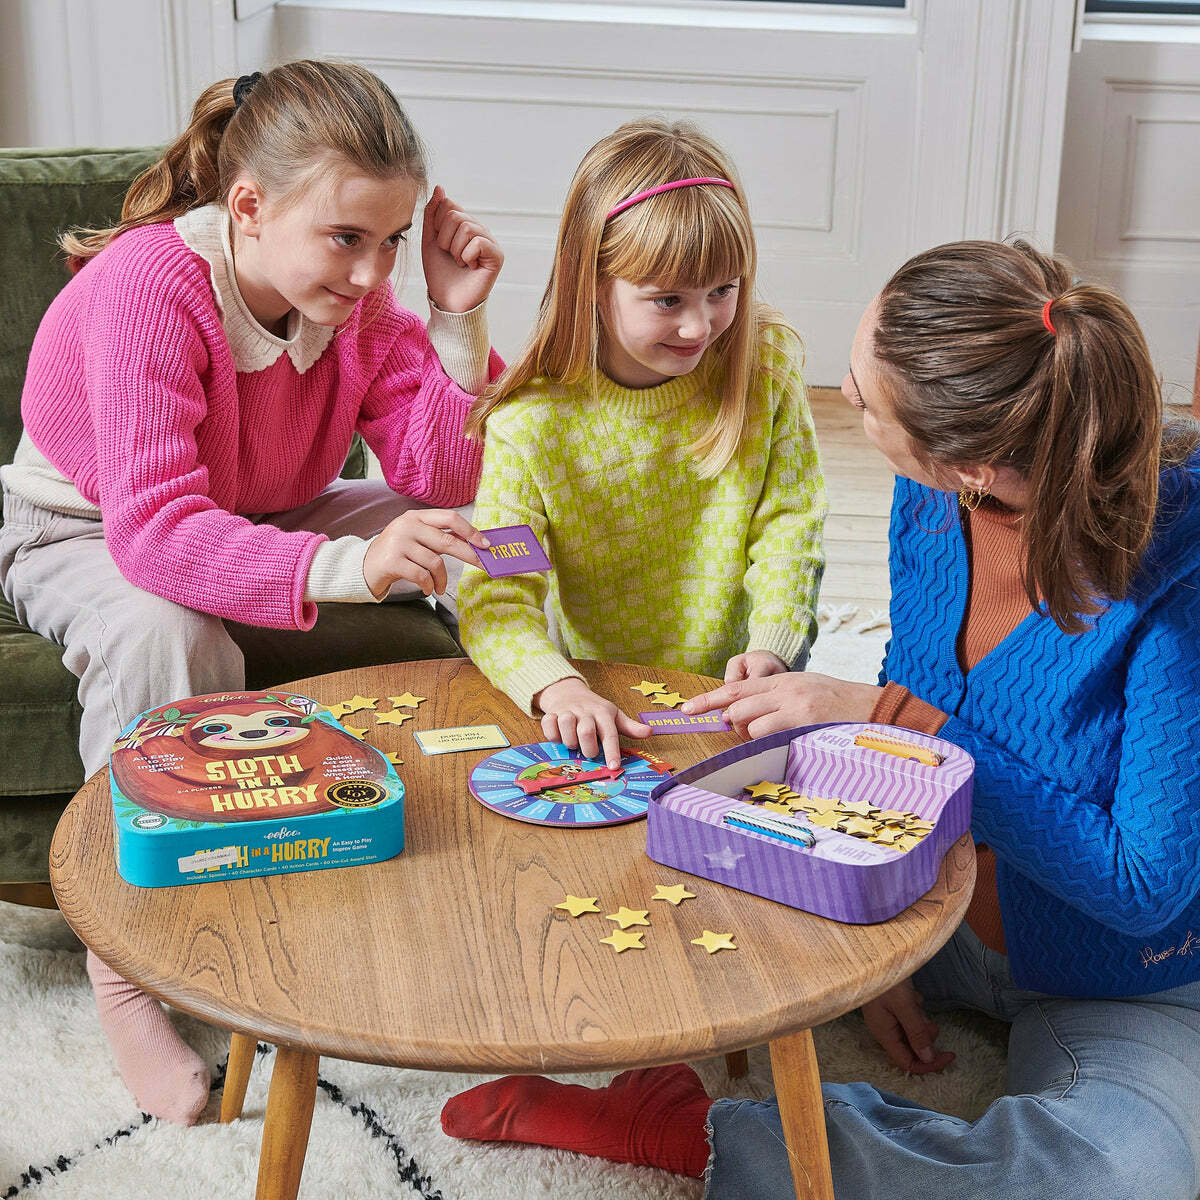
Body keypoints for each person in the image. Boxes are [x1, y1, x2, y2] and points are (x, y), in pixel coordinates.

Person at [440, 239, 1200, 1199]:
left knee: (1124, 1179)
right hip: (931, 894)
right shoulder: (932, 499)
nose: (841, 393)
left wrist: (889, 720)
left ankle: (707, 1133)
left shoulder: (1179, 577)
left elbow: (1143, 886)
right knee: (661, 845)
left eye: (863, 395)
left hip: (1121, 973)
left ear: (969, 459)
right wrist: (880, 936)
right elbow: (915, 676)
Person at [0, 60, 505, 1125]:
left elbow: (436, 474)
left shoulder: (355, 302)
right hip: (87, 527)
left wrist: (458, 327)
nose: (374, 273)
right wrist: (345, 568)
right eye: (346, 239)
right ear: (248, 207)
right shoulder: (152, 288)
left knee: (475, 536)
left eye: (391, 242)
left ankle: (451, 838)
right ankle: (129, 968)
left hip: (265, 509)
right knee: (165, 628)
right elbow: (156, 534)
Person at [457, 118, 826, 769]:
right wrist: (557, 685)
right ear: (591, 283)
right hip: (610, 697)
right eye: (666, 300)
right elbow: (499, 591)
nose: (699, 325)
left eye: (723, 290)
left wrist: (773, 641)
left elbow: (790, 520)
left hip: (743, 687)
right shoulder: (530, 425)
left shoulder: (764, 364)